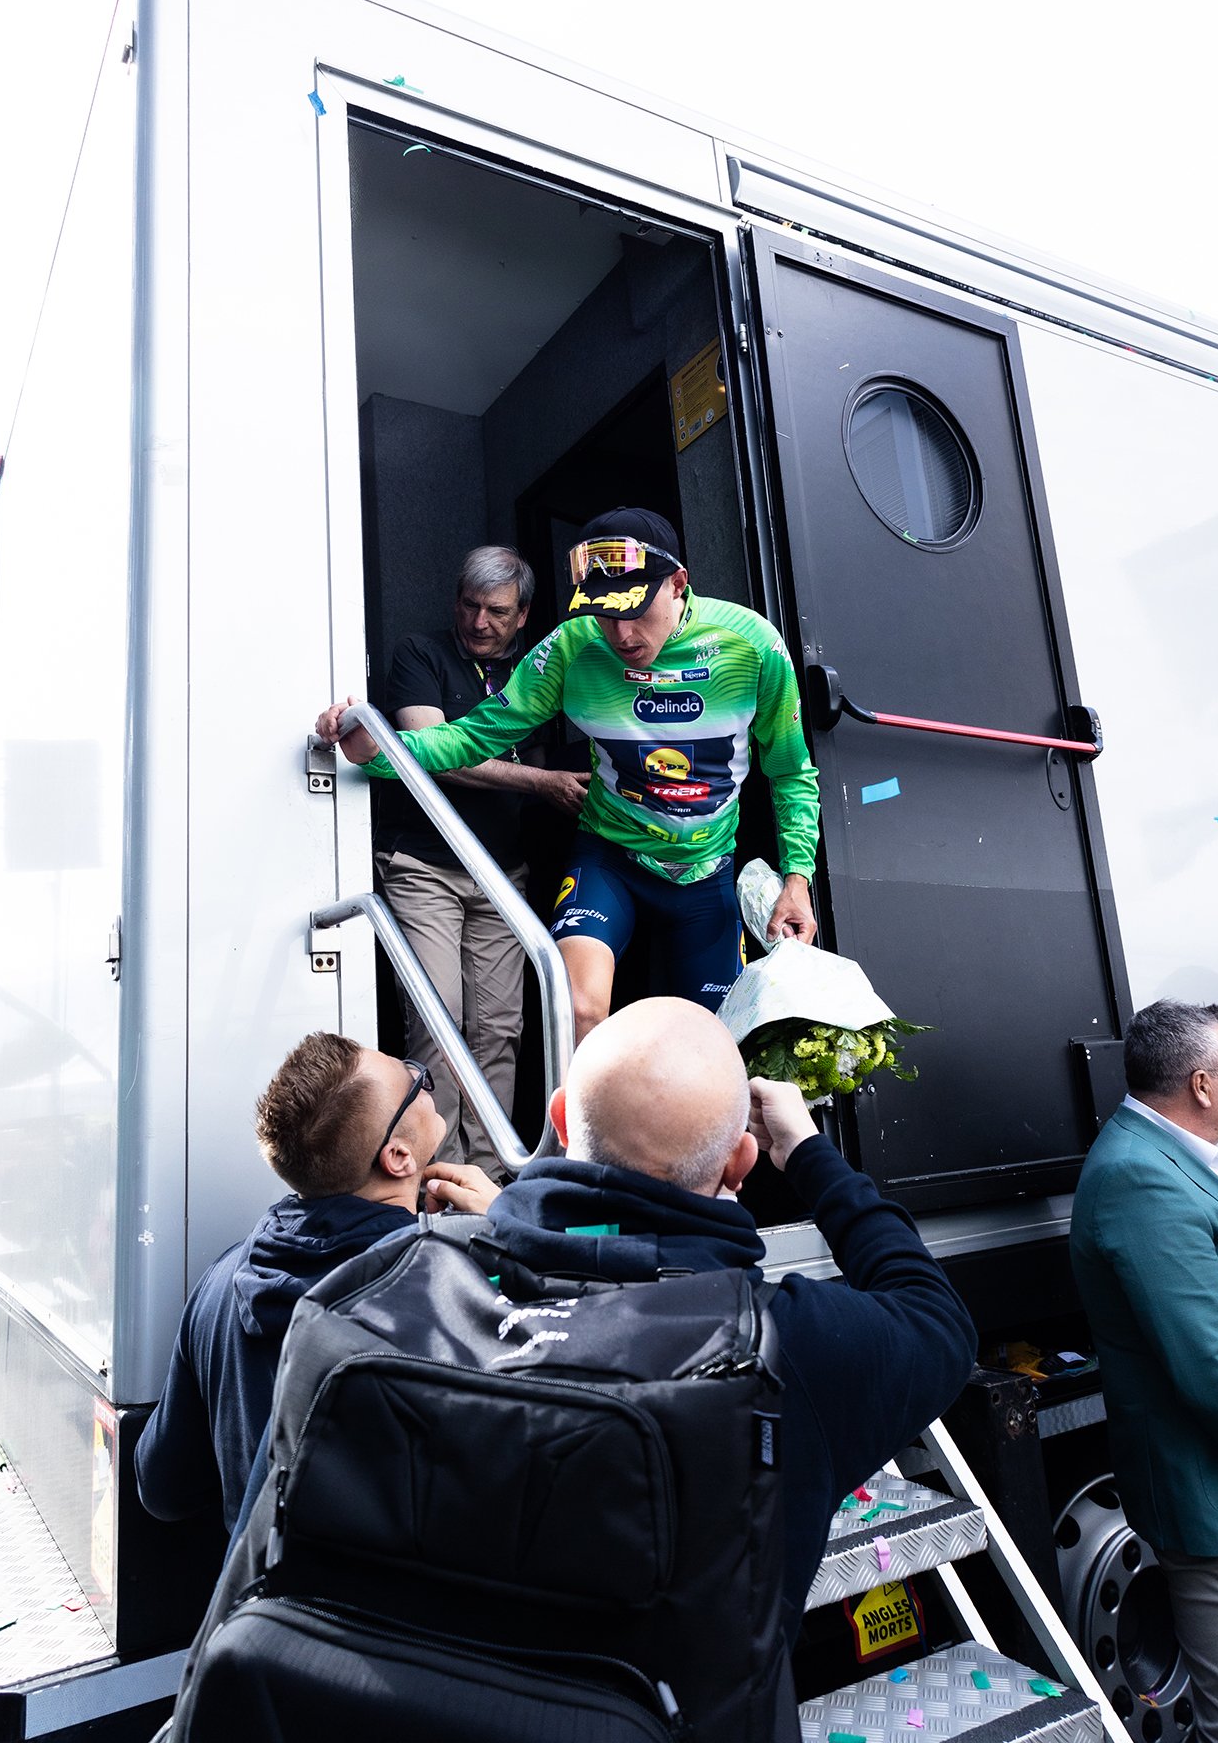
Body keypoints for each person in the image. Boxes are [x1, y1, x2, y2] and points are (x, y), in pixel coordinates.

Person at [427, 996, 977, 1633]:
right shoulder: (786, 1346)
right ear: (740, 1164)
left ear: (559, 1118)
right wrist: (807, 1152)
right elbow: (938, 1317)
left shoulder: (429, 1295)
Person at [319, 510, 820, 1043]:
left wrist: (797, 879)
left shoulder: (754, 646)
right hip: (609, 858)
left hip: (704, 869)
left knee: (716, 1039)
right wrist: (375, 751)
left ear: (677, 584)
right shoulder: (572, 645)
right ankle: (576, 1129)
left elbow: (790, 771)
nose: (621, 634)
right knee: (577, 1008)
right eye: (605, 613)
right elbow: (472, 736)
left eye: (635, 611)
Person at [135, 1031, 498, 1534]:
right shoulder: (452, 1286)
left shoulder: (222, 1281)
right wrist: (510, 1231)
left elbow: (163, 1490)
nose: (422, 1080)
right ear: (397, 1157)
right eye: (414, 1083)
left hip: (262, 1605)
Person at [374, 545, 589, 1177]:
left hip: (502, 874)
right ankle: (435, 1179)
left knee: (500, 1028)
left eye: (496, 610)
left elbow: (559, 757)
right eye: (469, 605)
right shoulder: (421, 654)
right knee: (438, 1023)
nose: (479, 622)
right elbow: (435, 754)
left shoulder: (537, 674)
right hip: (423, 866)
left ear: (523, 616)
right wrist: (538, 783)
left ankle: (490, 1178)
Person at [1071, 999, 1218, 1743]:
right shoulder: (1142, 1179)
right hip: (1210, 1502)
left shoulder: (1176, 1155)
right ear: (1201, 1084)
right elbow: (1213, 1371)